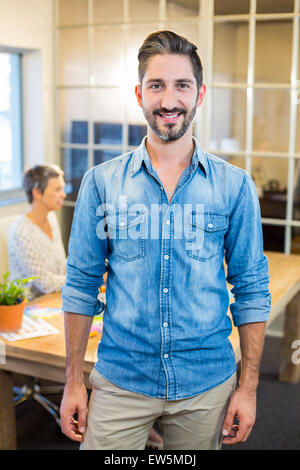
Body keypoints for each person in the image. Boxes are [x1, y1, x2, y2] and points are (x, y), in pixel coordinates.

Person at [60, 30, 271, 450]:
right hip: (122, 380)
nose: (169, 100)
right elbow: (81, 286)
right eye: (157, 85)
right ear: (139, 93)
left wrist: (247, 389)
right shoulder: (101, 183)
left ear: (200, 93)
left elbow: (251, 290)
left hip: (206, 385)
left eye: (182, 85)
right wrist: (72, 383)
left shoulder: (234, 187)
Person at [8, 164, 67, 299]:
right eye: (58, 189)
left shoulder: (51, 218)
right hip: (31, 306)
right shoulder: (21, 231)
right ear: (37, 192)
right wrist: (84, 280)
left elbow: (61, 266)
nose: (63, 194)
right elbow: (44, 283)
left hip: (55, 296)